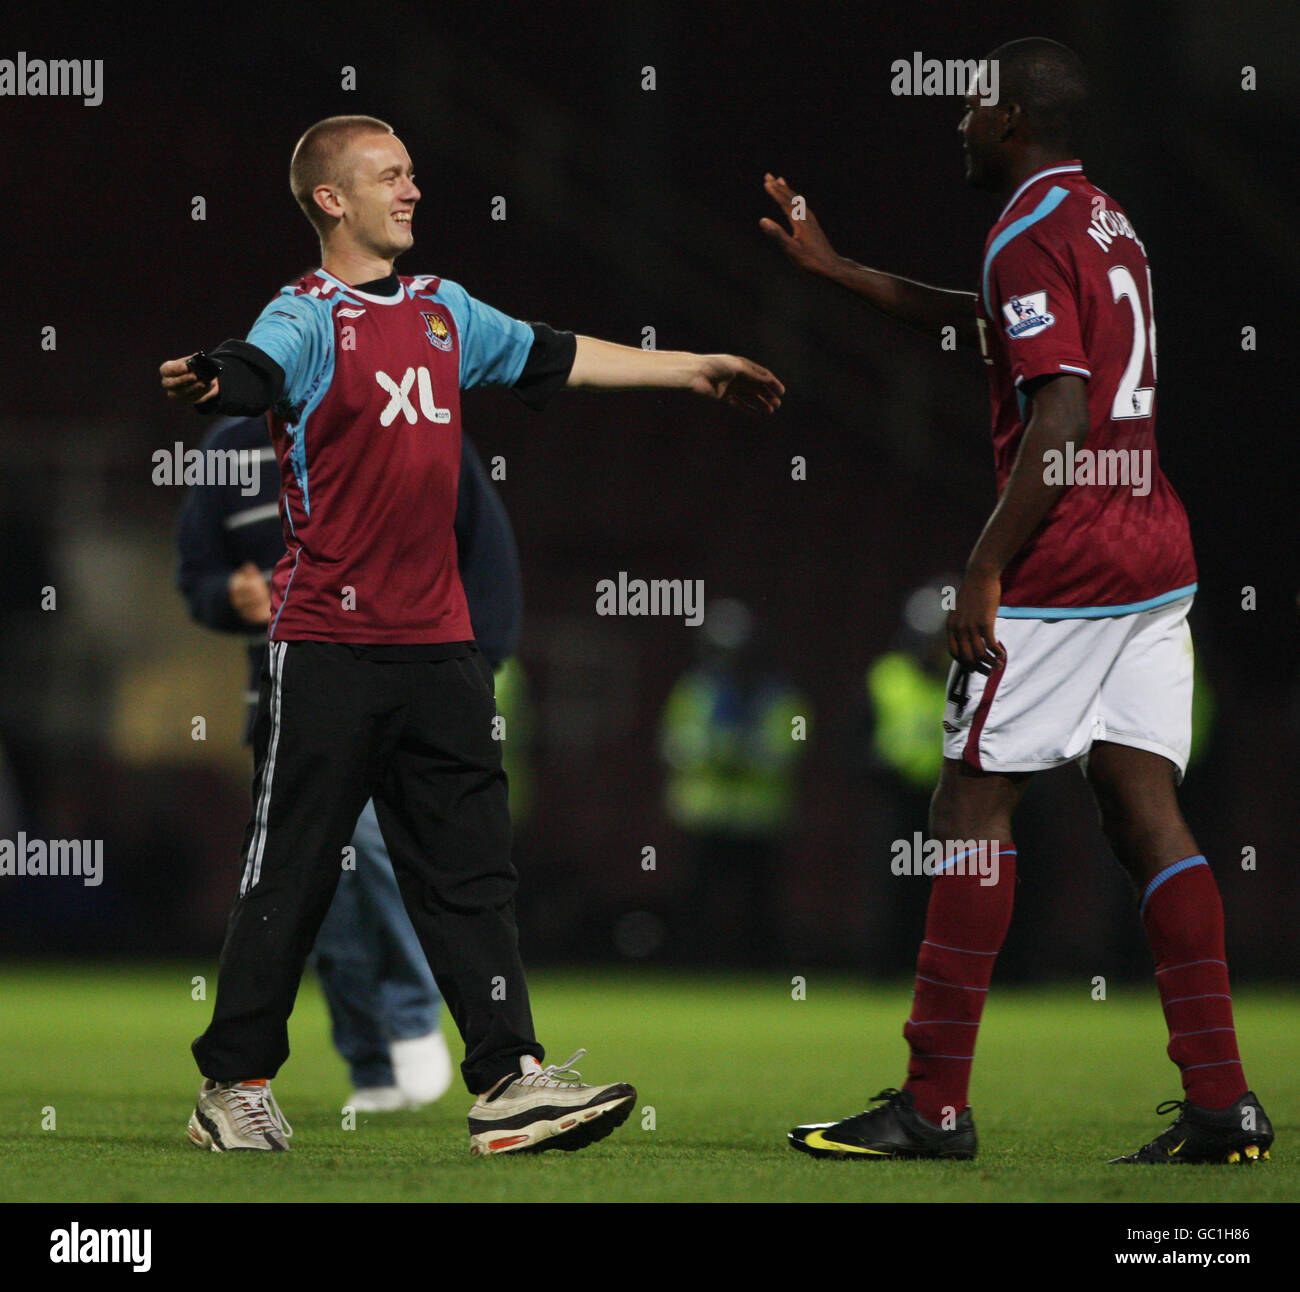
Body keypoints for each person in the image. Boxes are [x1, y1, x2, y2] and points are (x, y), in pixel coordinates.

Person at [159, 114, 783, 1155]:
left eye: (408, 173)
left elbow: (556, 352)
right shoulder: (308, 315)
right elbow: (259, 366)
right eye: (387, 176)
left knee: (472, 875)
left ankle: (505, 1080)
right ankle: (233, 1083)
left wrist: (688, 365)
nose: (410, 190)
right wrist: (220, 377)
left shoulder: (445, 312)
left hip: (440, 650)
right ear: (331, 199)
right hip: (330, 648)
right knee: (296, 869)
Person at [762, 39, 1271, 1165]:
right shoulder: (1099, 217)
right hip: (1154, 544)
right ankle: (1221, 1102)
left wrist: (986, 567)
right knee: (1145, 809)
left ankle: (932, 1103)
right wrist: (842, 271)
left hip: (1072, 554)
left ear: (1009, 121)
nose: (955, 120)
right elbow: (997, 325)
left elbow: (1061, 415)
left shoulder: (1026, 232)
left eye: (972, 102)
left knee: (966, 808)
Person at [177, 419, 524, 1111]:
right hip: (288, 695)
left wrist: (472, 670)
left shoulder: (408, 414)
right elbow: (197, 575)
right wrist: (229, 597)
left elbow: (486, 554)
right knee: (318, 892)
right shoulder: (229, 447)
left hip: (412, 683)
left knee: (372, 846)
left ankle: (410, 1013)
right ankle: (371, 1062)